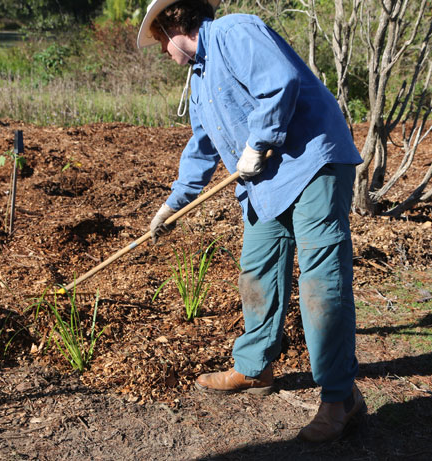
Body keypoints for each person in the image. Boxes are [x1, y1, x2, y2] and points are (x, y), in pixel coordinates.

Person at [138, 0, 365, 443]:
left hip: (312, 161)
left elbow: (279, 82)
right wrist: (172, 205)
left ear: (173, 25)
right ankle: (255, 369)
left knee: (322, 280)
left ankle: (340, 398)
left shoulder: (233, 31)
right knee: (257, 269)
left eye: (160, 42)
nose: (163, 52)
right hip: (267, 182)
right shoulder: (199, 80)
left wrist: (259, 140)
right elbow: (202, 149)